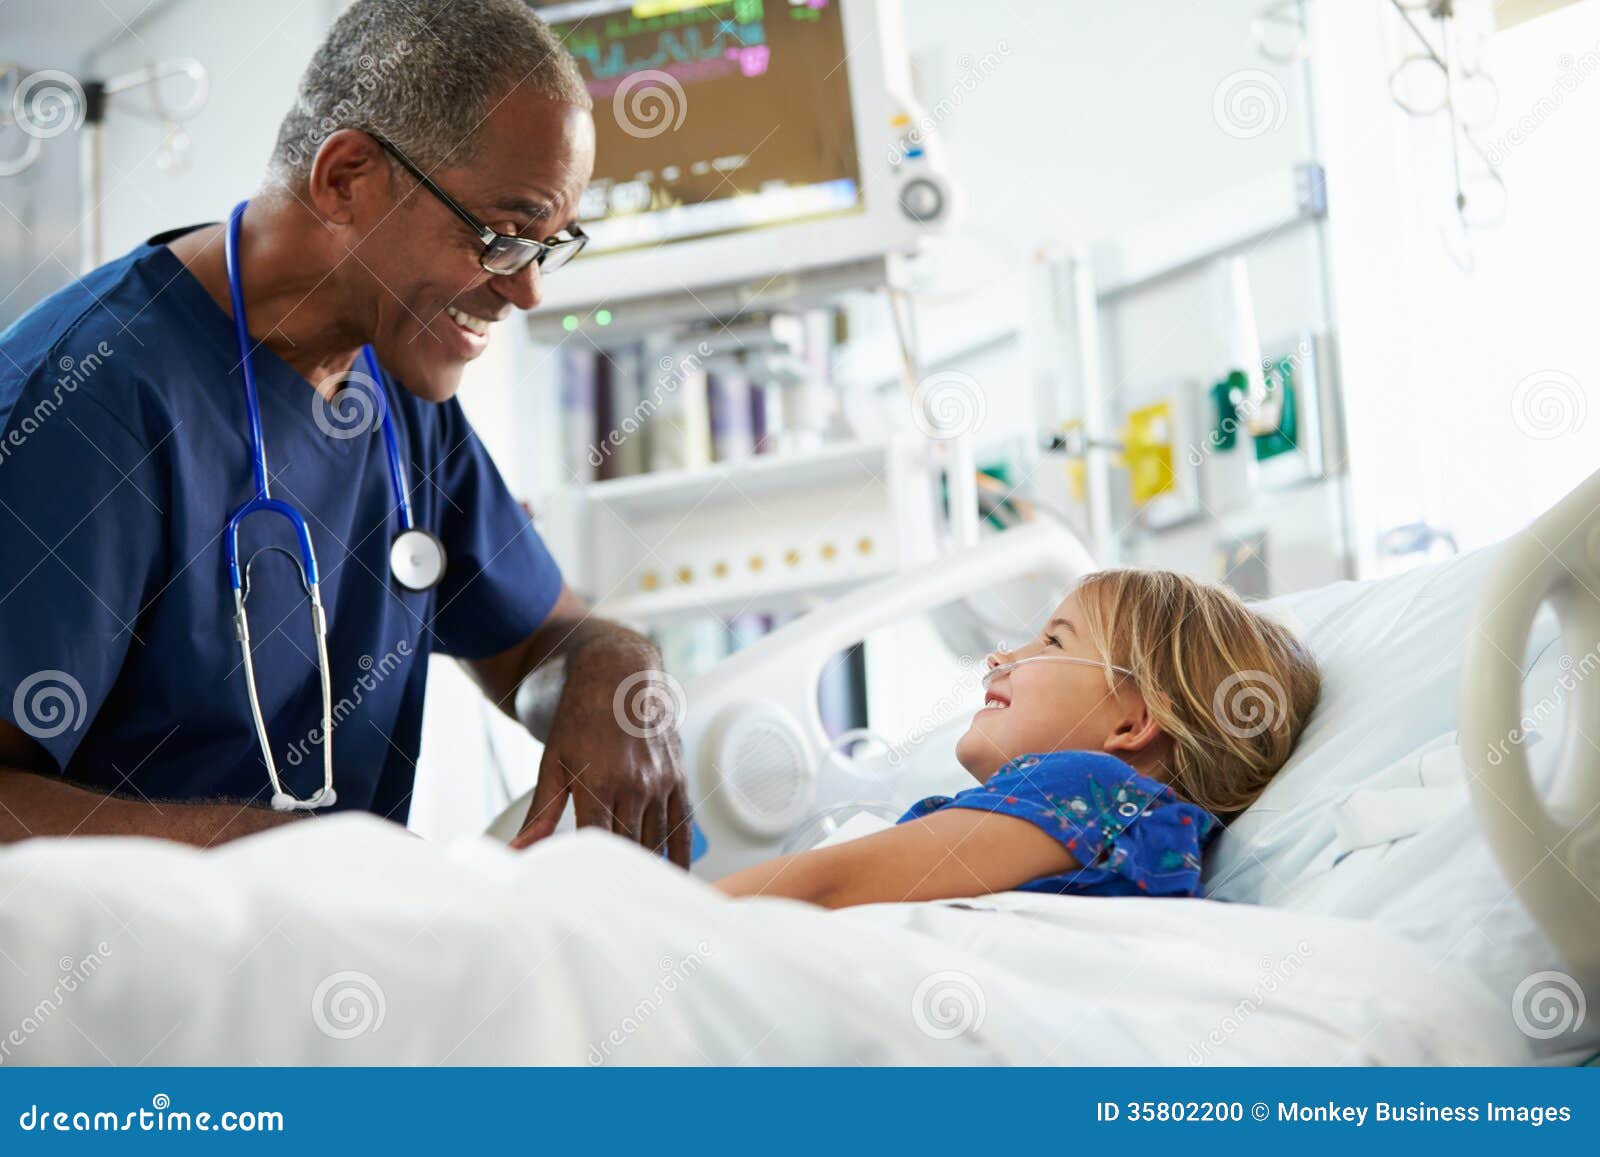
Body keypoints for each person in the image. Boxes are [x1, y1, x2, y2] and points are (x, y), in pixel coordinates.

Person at [0, 0, 693, 862]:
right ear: (346, 180)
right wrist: (262, 855)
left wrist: (616, 666)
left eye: (549, 247)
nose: (525, 293)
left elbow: (544, 644)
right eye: (502, 237)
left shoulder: (398, 389)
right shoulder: (86, 404)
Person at [716, 569, 1321, 906]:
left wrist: (663, 916)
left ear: (1133, 724)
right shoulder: (1118, 826)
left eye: (1054, 642)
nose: (1002, 655)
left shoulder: (1097, 792)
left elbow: (828, 885)